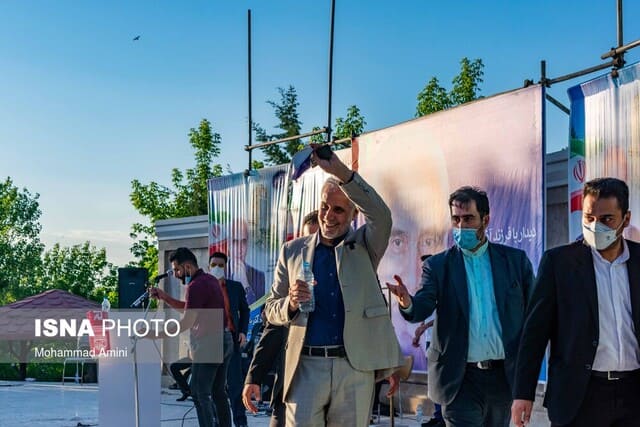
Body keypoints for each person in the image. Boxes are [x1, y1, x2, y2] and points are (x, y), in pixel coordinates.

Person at [264, 144, 404, 426]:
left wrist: (340, 171)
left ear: (354, 215)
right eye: (324, 207)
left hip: (354, 367)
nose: (328, 216)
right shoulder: (292, 251)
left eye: (339, 210)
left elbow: (382, 216)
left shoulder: (365, 245)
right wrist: (290, 303)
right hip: (305, 367)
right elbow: (271, 309)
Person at [388, 186, 535, 427]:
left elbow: (534, 312)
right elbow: (422, 305)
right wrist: (407, 302)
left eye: (468, 219)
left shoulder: (514, 262)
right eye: (456, 219)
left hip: (503, 378)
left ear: (485, 220)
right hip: (459, 379)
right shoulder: (438, 266)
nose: (461, 226)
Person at [512, 177, 640, 427]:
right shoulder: (559, 263)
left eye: (607, 219)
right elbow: (535, 333)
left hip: (633, 395)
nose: (595, 226)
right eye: (589, 217)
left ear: (625, 219)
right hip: (579, 396)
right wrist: (523, 393)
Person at [241, 210, 318, 427]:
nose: (312, 248)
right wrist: (254, 377)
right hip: (290, 386)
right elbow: (273, 327)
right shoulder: (292, 279)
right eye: (307, 241)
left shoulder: (346, 281)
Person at [148, 247, 233, 427]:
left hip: (209, 343)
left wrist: (156, 334)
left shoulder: (195, 286)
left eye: (177, 270)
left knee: (199, 392)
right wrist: (165, 297)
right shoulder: (209, 280)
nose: (176, 274)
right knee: (218, 392)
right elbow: (189, 308)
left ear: (187, 267)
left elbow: (186, 322)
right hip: (224, 340)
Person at [209, 251, 250, 427]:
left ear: (226, 267)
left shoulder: (235, 287)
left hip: (232, 340)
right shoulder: (203, 288)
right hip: (210, 342)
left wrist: (243, 332)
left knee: (235, 384)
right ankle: (217, 421)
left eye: (221, 265)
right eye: (213, 265)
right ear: (208, 267)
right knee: (213, 386)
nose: (217, 268)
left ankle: (241, 422)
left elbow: (245, 310)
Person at [228, 219, 266, 304]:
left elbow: (258, 310)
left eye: (243, 242)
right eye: (235, 242)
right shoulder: (220, 273)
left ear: (248, 244)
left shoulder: (259, 276)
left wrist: (246, 285)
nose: (239, 249)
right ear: (228, 244)